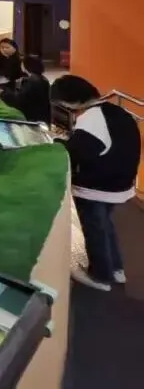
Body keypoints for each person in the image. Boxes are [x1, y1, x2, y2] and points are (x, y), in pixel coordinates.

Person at [50, 74, 141, 291]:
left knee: (94, 229)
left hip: (97, 187)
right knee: (105, 225)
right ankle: (116, 269)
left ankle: (100, 276)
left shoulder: (91, 119)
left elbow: (78, 153)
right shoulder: (116, 111)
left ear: (70, 101)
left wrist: (57, 143)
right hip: (121, 183)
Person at [2, 55, 51, 126]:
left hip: (32, 119)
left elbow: (19, 100)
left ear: (27, 65)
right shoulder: (43, 79)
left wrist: (5, 92)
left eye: (22, 63)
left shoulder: (32, 81)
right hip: (42, 117)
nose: (21, 65)